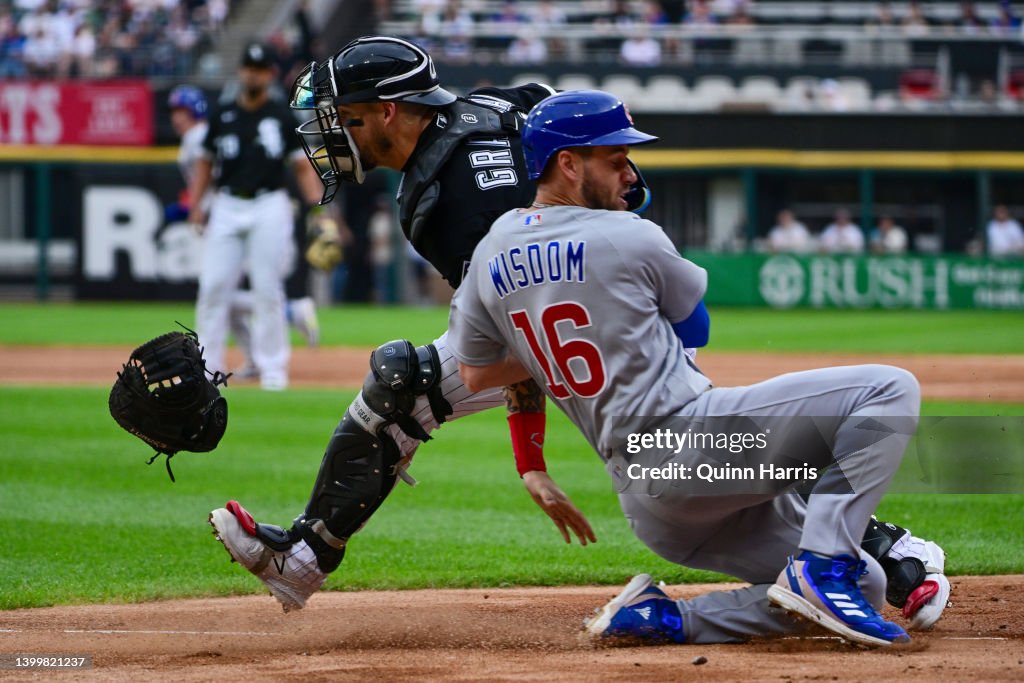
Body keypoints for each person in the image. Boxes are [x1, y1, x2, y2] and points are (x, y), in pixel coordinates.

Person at [447, 90, 950, 647]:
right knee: (887, 390)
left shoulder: (489, 254)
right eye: (614, 160)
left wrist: (553, 340)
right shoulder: (628, 235)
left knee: (871, 585)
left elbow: (475, 375)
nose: (628, 174)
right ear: (568, 163)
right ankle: (821, 568)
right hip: (690, 445)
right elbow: (696, 328)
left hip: (649, 502)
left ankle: (663, 617)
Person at [207, 36, 610, 611]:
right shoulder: (494, 104)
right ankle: (301, 561)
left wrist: (530, 459)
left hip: (606, 328)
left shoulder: (440, 202)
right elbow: (565, 108)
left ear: (388, 111)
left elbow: (517, 332)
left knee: (676, 470)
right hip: (588, 301)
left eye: (346, 118)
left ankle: (778, 539)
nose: (334, 134)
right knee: (399, 389)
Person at [187, 43, 324, 390]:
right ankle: (208, 370)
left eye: (259, 68)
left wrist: (319, 208)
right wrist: (196, 204)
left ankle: (273, 370)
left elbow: (302, 166)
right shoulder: (222, 114)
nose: (252, 73)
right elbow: (205, 162)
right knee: (213, 286)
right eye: (248, 66)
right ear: (241, 71)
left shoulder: (280, 114)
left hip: (269, 204)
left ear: (269, 75)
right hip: (228, 204)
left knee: (267, 287)